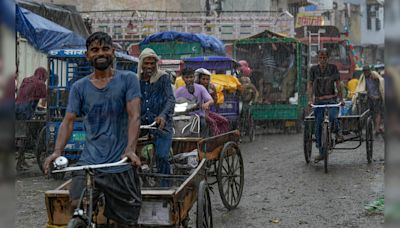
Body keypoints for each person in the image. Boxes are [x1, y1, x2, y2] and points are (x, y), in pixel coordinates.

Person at [43, 32, 142, 227]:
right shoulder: (79, 87)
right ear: (87, 55)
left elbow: (134, 116)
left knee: (125, 222)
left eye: (105, 49)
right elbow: (68, 121)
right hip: (89, 163)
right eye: (95, 50)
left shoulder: (128, 79)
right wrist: (57, 151)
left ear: (113, 52)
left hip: (119, 164)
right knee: (75, 205)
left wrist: (130, 149)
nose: (100, 53)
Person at [138, 48, 175, 176]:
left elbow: (170, 99)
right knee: (124, 150)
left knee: (162, 156)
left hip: (161, 123)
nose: (149, 66)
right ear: (141, 64)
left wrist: (163, 115)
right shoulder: (136, 80)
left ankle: (165, 184)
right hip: (142, 123)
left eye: (152, 63)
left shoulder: (163, 77)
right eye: (146, 63)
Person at [307, 49, 344, 163]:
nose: (322, 60)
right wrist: (310, 100)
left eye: (324, 58)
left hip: (331, 99)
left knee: (333, 117)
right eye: (320, 58)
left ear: (327, 58)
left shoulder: (333, 68)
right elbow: (310, 85)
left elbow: (338, 84)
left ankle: (338, 132)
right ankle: (321, 151)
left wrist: (341, 99)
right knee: (318, 124)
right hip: (318, 101)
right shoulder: (313, 70)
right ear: (318, 58)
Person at [15, 67, 48, 171]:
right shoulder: (41, 84)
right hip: (25, 111)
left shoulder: (26, 80)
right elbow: (44, 101)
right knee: (25, 136)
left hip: (16, 108)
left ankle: (22, 161)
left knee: (19, 134)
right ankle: (19, 163)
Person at [175, 68, 214, 137]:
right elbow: (173, 103)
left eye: (191, 77)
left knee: (203, 124)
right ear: (183, 78)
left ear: (194, 77)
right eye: (187, 77)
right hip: (182, 116)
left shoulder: (200, 88)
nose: (189, 79)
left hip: (198, 116)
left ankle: (203, 144)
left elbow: (211, 100)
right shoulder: (179, 91)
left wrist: (206, 104)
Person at [195, 68, 230, 135]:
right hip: (197, 113)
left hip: (207, 112)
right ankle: (213, 141)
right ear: (199, 79)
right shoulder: (194, 88)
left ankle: (221, 139)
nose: (205, 81)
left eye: (207, 79)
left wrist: (214, 92)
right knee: (212, 123)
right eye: (203, 79)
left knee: (225, 121)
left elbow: (214, 101)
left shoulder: (210, 88)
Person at [352, 65, 384, 135]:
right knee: (369, 113)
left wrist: (377, 79)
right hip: (369, 98)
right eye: (364, 71)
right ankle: (373, 127)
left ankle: (377, 129)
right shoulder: (363, 78)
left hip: (378, 97)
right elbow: (361, 86)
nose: (365, 72)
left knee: (377, 112)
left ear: (369, 71)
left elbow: (381, 82)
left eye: (367, 71)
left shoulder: (374, 75)